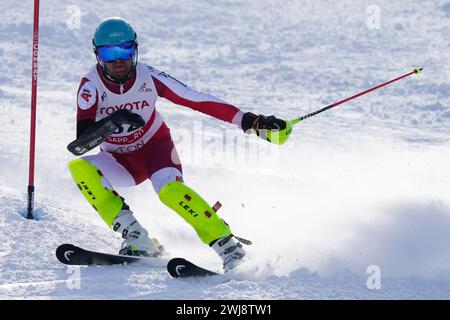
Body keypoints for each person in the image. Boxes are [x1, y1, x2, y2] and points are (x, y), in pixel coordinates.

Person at [68, 17, 290, 272]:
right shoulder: (90, 86)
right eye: (109, 53)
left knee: (170, 191)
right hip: (119, 160)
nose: (118, 60)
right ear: (98, 55)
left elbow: (196, 99)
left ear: (135, 49)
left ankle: (228, 247)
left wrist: (249, 121)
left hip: (155, 149)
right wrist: (113, 123)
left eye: (125, 50)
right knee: (79, 168)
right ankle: (137, 239)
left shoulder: (148, 77)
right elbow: (81, 144)